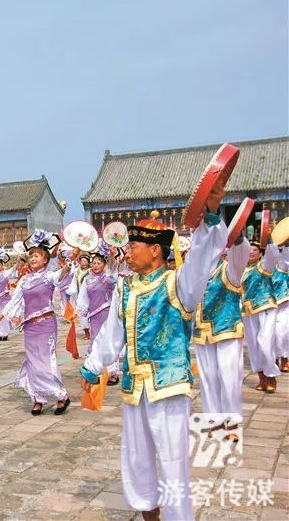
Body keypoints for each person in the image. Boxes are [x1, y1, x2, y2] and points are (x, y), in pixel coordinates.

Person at [80, 195, 227, 521]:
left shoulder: (179, 283)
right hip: (135, 386)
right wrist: (93, 367)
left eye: (134, 247)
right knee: (136, 455)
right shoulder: (126, 289)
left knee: (173, 460)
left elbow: (202, 259)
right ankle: (148, 509)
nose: (127, 253)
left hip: (169, 386)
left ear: (156, 250)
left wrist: (212, 216)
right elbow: (111, 333)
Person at [0, 230, 71, 415]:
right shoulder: (25, 280)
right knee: (33, 363)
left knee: (45, 362)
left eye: (37, 255)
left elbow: (61, 275)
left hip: (46, 325)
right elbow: (15, 301)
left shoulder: (49, 276)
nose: (33, 258)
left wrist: (67, 265)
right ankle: (38, 398)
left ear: (45, 259)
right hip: (30, 327)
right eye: (31, 255)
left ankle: (61, 395)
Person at [192, 236, 249, 441]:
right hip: (202, 334)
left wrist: (238, 239)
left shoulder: (230, 269)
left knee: (230, 380)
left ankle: (231, 425)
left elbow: (241, 254)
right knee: (208, 381)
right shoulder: (195, 274)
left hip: (227, 331)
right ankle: (214, 424)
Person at [240, 239, 280, 393]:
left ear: (261, 254)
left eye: (255, 250)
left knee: (265, 342)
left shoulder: (264, 266)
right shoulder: (241, 270)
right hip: (248, 312)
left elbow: (272, 255)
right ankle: (261, 377)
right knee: (253, 346)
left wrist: (269, 241)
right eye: (248, 251)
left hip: (266, 307)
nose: (251, 252)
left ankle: (271, 376)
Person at [76, 246, 120, 383]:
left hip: (107, 313)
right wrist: (81, 311)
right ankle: (94, 369)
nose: (95, 266)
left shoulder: (108, 279)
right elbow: (83, 297)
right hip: (94, 315)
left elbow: (114, 272)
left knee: (107, 340)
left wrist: (112, 256)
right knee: (95, 341)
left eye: (99, 263)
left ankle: (112, 371)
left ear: (104, 265)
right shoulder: (87, 280)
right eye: (94, 263)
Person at [273, 244, 289, 372]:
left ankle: (284, 358)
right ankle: (273, 359)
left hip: (284, 302)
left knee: (282, 332)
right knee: (269, 334)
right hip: (267, 304)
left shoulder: (283, 265)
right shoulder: (262, 266)